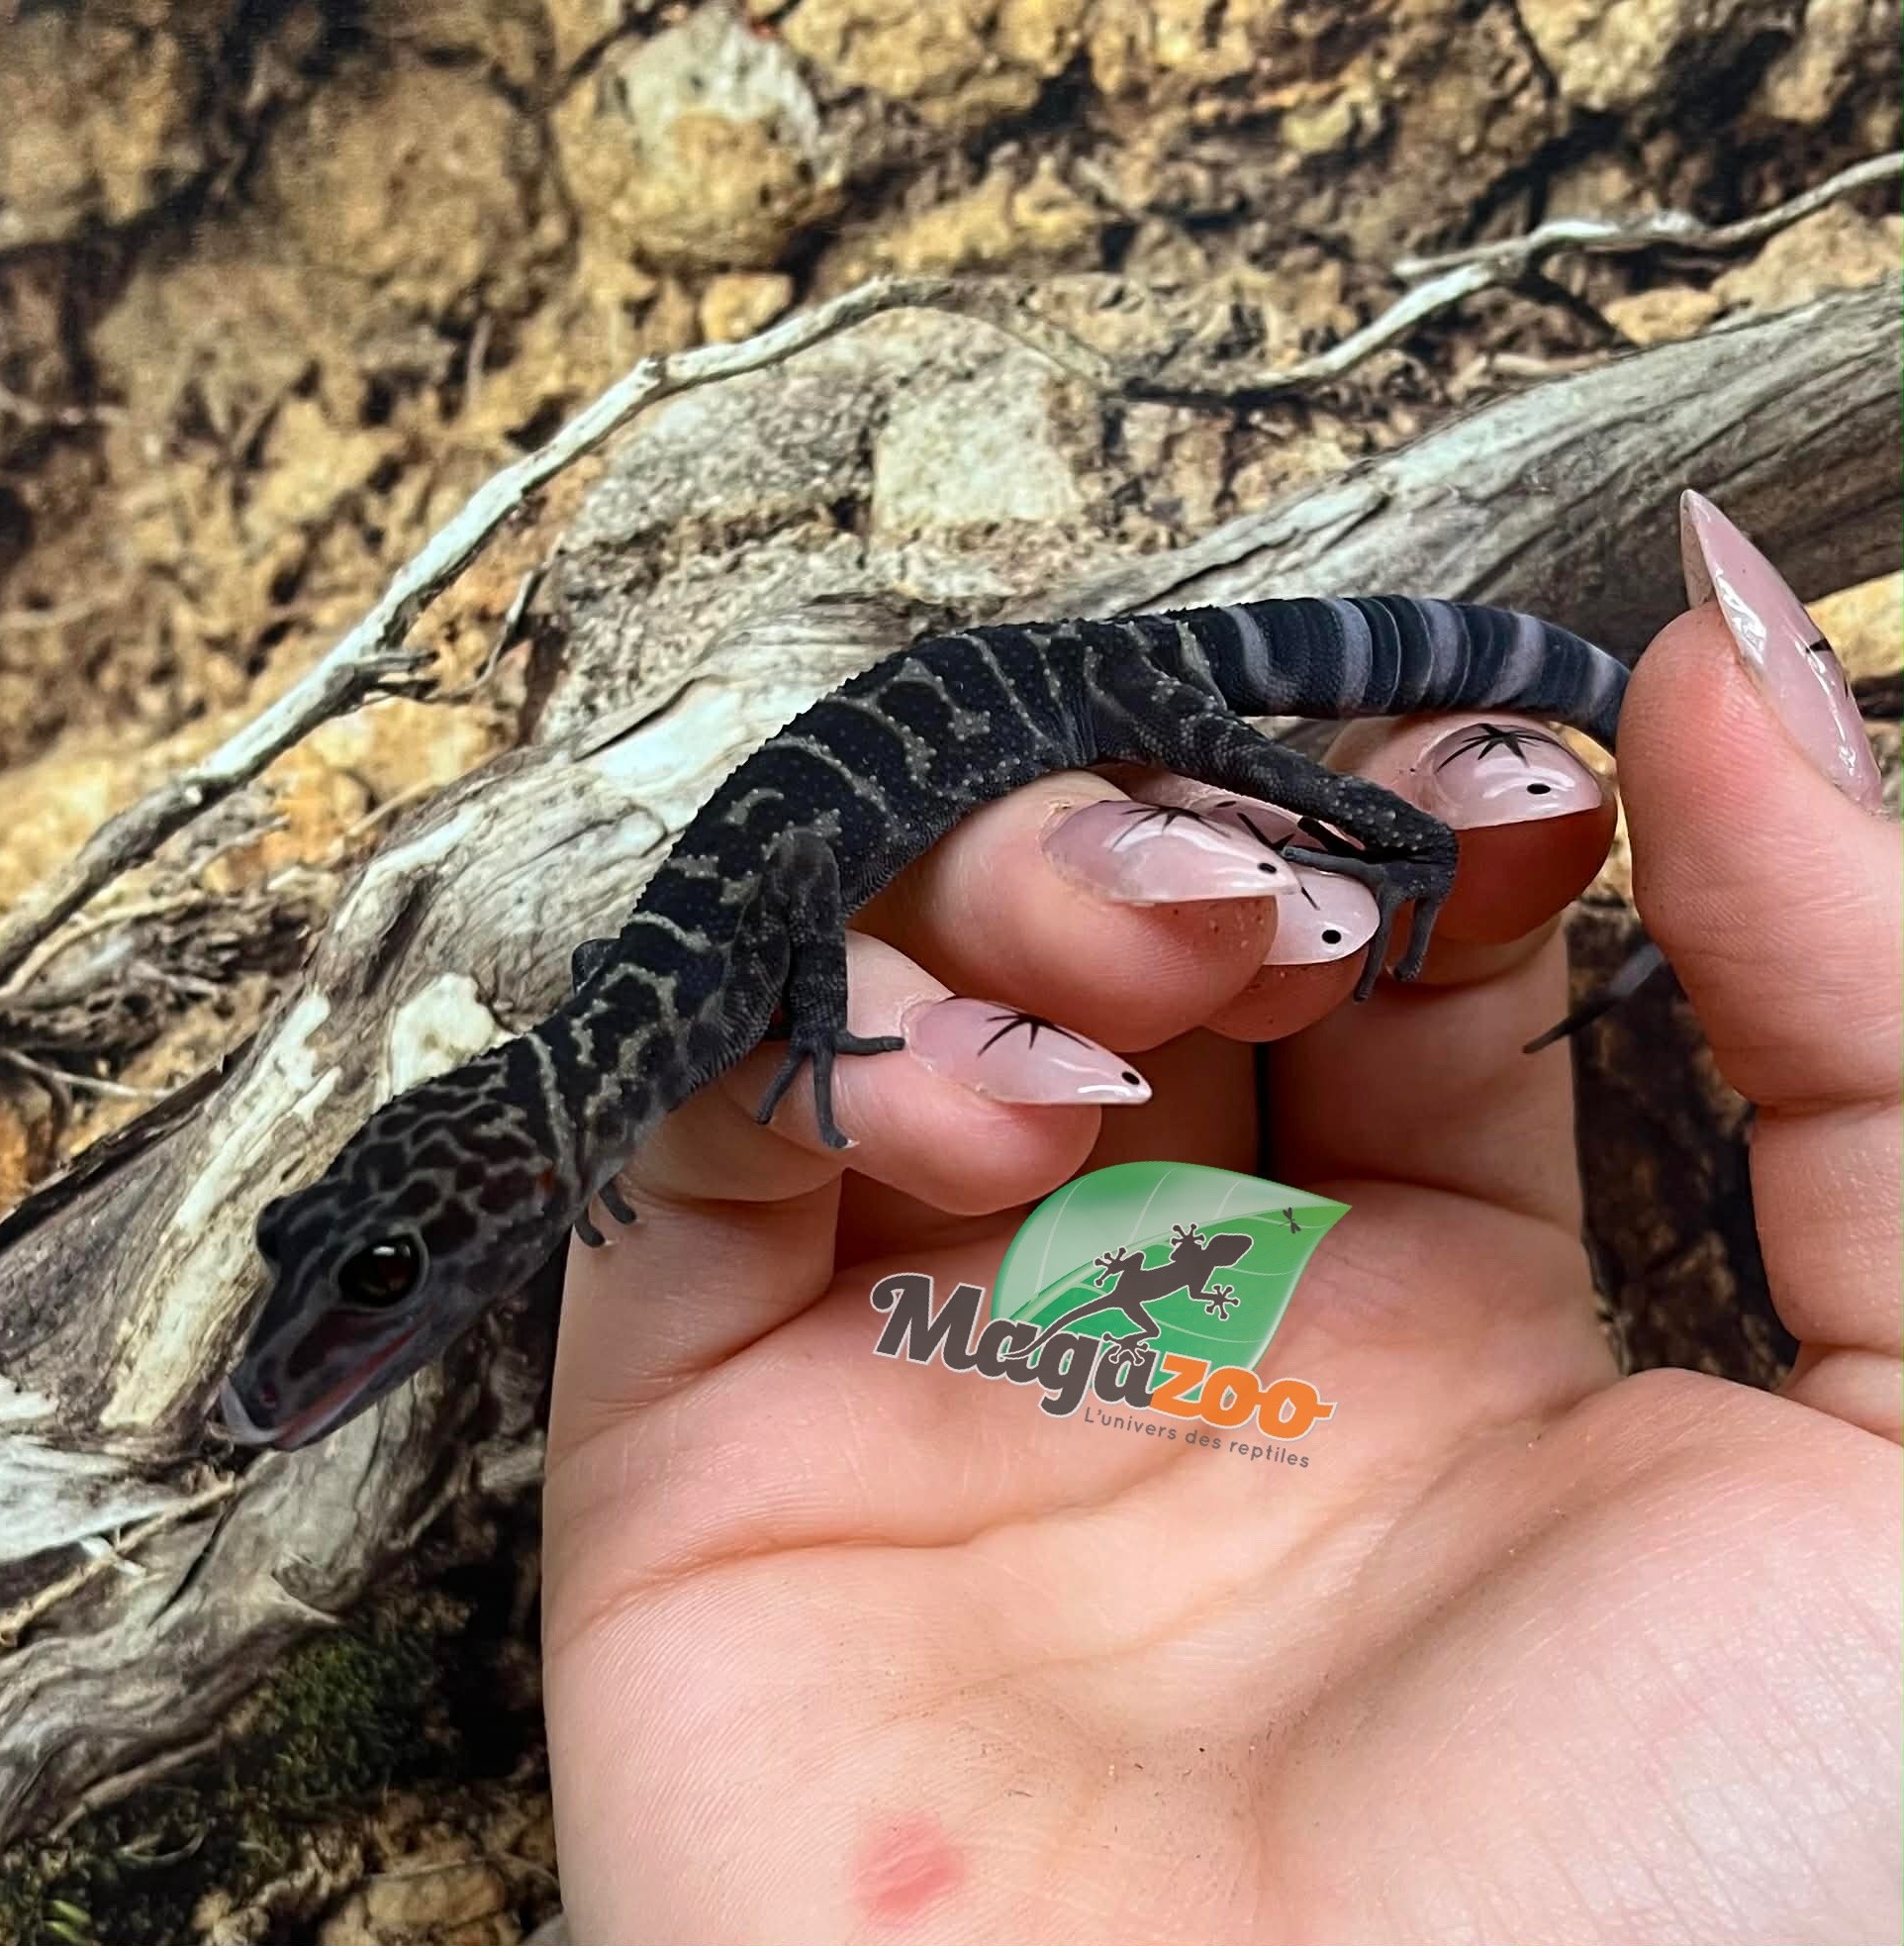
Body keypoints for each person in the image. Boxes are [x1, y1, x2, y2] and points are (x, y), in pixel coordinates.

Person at [539, 492, 1899, 1944]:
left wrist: (1412, 847)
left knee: (1228, 789)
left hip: (1098, 716)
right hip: (1073, 759)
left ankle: (1424, 851)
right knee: (1187, 820)